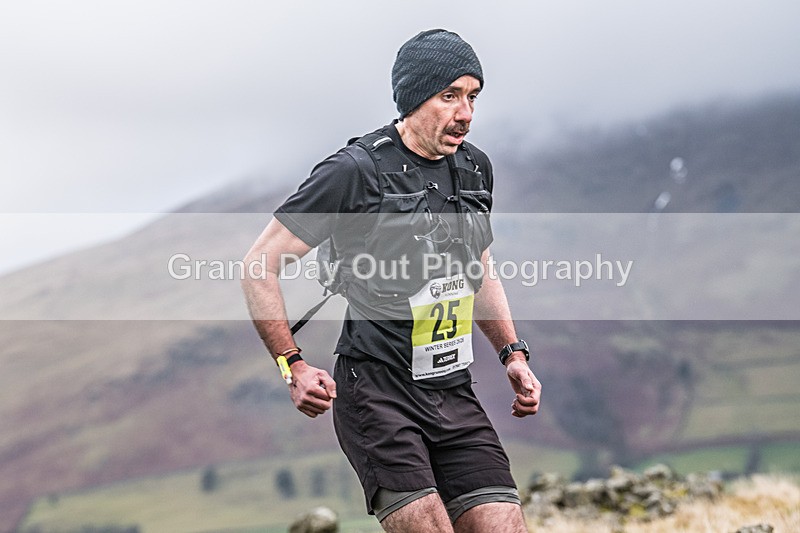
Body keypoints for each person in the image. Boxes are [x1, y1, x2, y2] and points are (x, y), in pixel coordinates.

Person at [242, 29, 542, 532]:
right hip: (376, 394)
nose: (465, 112)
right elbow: (259, 265)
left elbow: (480, 267)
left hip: (452, 389)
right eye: (449, 96)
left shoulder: (474, 168)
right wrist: (291, 365)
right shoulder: (355, 171)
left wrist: (511, 352)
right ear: (412, 97)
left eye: (472, 97)